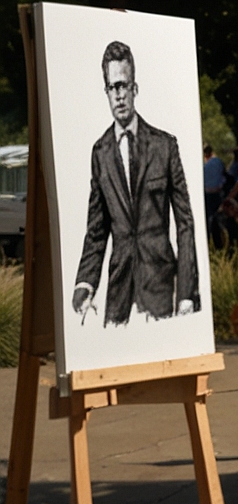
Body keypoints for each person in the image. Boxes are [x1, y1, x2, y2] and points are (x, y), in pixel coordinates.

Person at [72, 40, 202, 325]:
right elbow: (97, 230)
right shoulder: (100, 152)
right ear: (106, 91)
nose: (118, 96)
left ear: (135, 88)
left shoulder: (164, 146)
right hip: (119, 289)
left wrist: (187, 294)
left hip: (160, 288)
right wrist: (85, 282)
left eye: (123, 86)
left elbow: (185, 223)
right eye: (112, 87)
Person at [201, 143, 227, 247]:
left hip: (207, 194)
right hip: (217, 193)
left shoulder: (205, 165)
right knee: (217, 219)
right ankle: (218, 244)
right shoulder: (219, 162)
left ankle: (206, 242)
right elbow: (224, 175)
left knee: (207, 219)